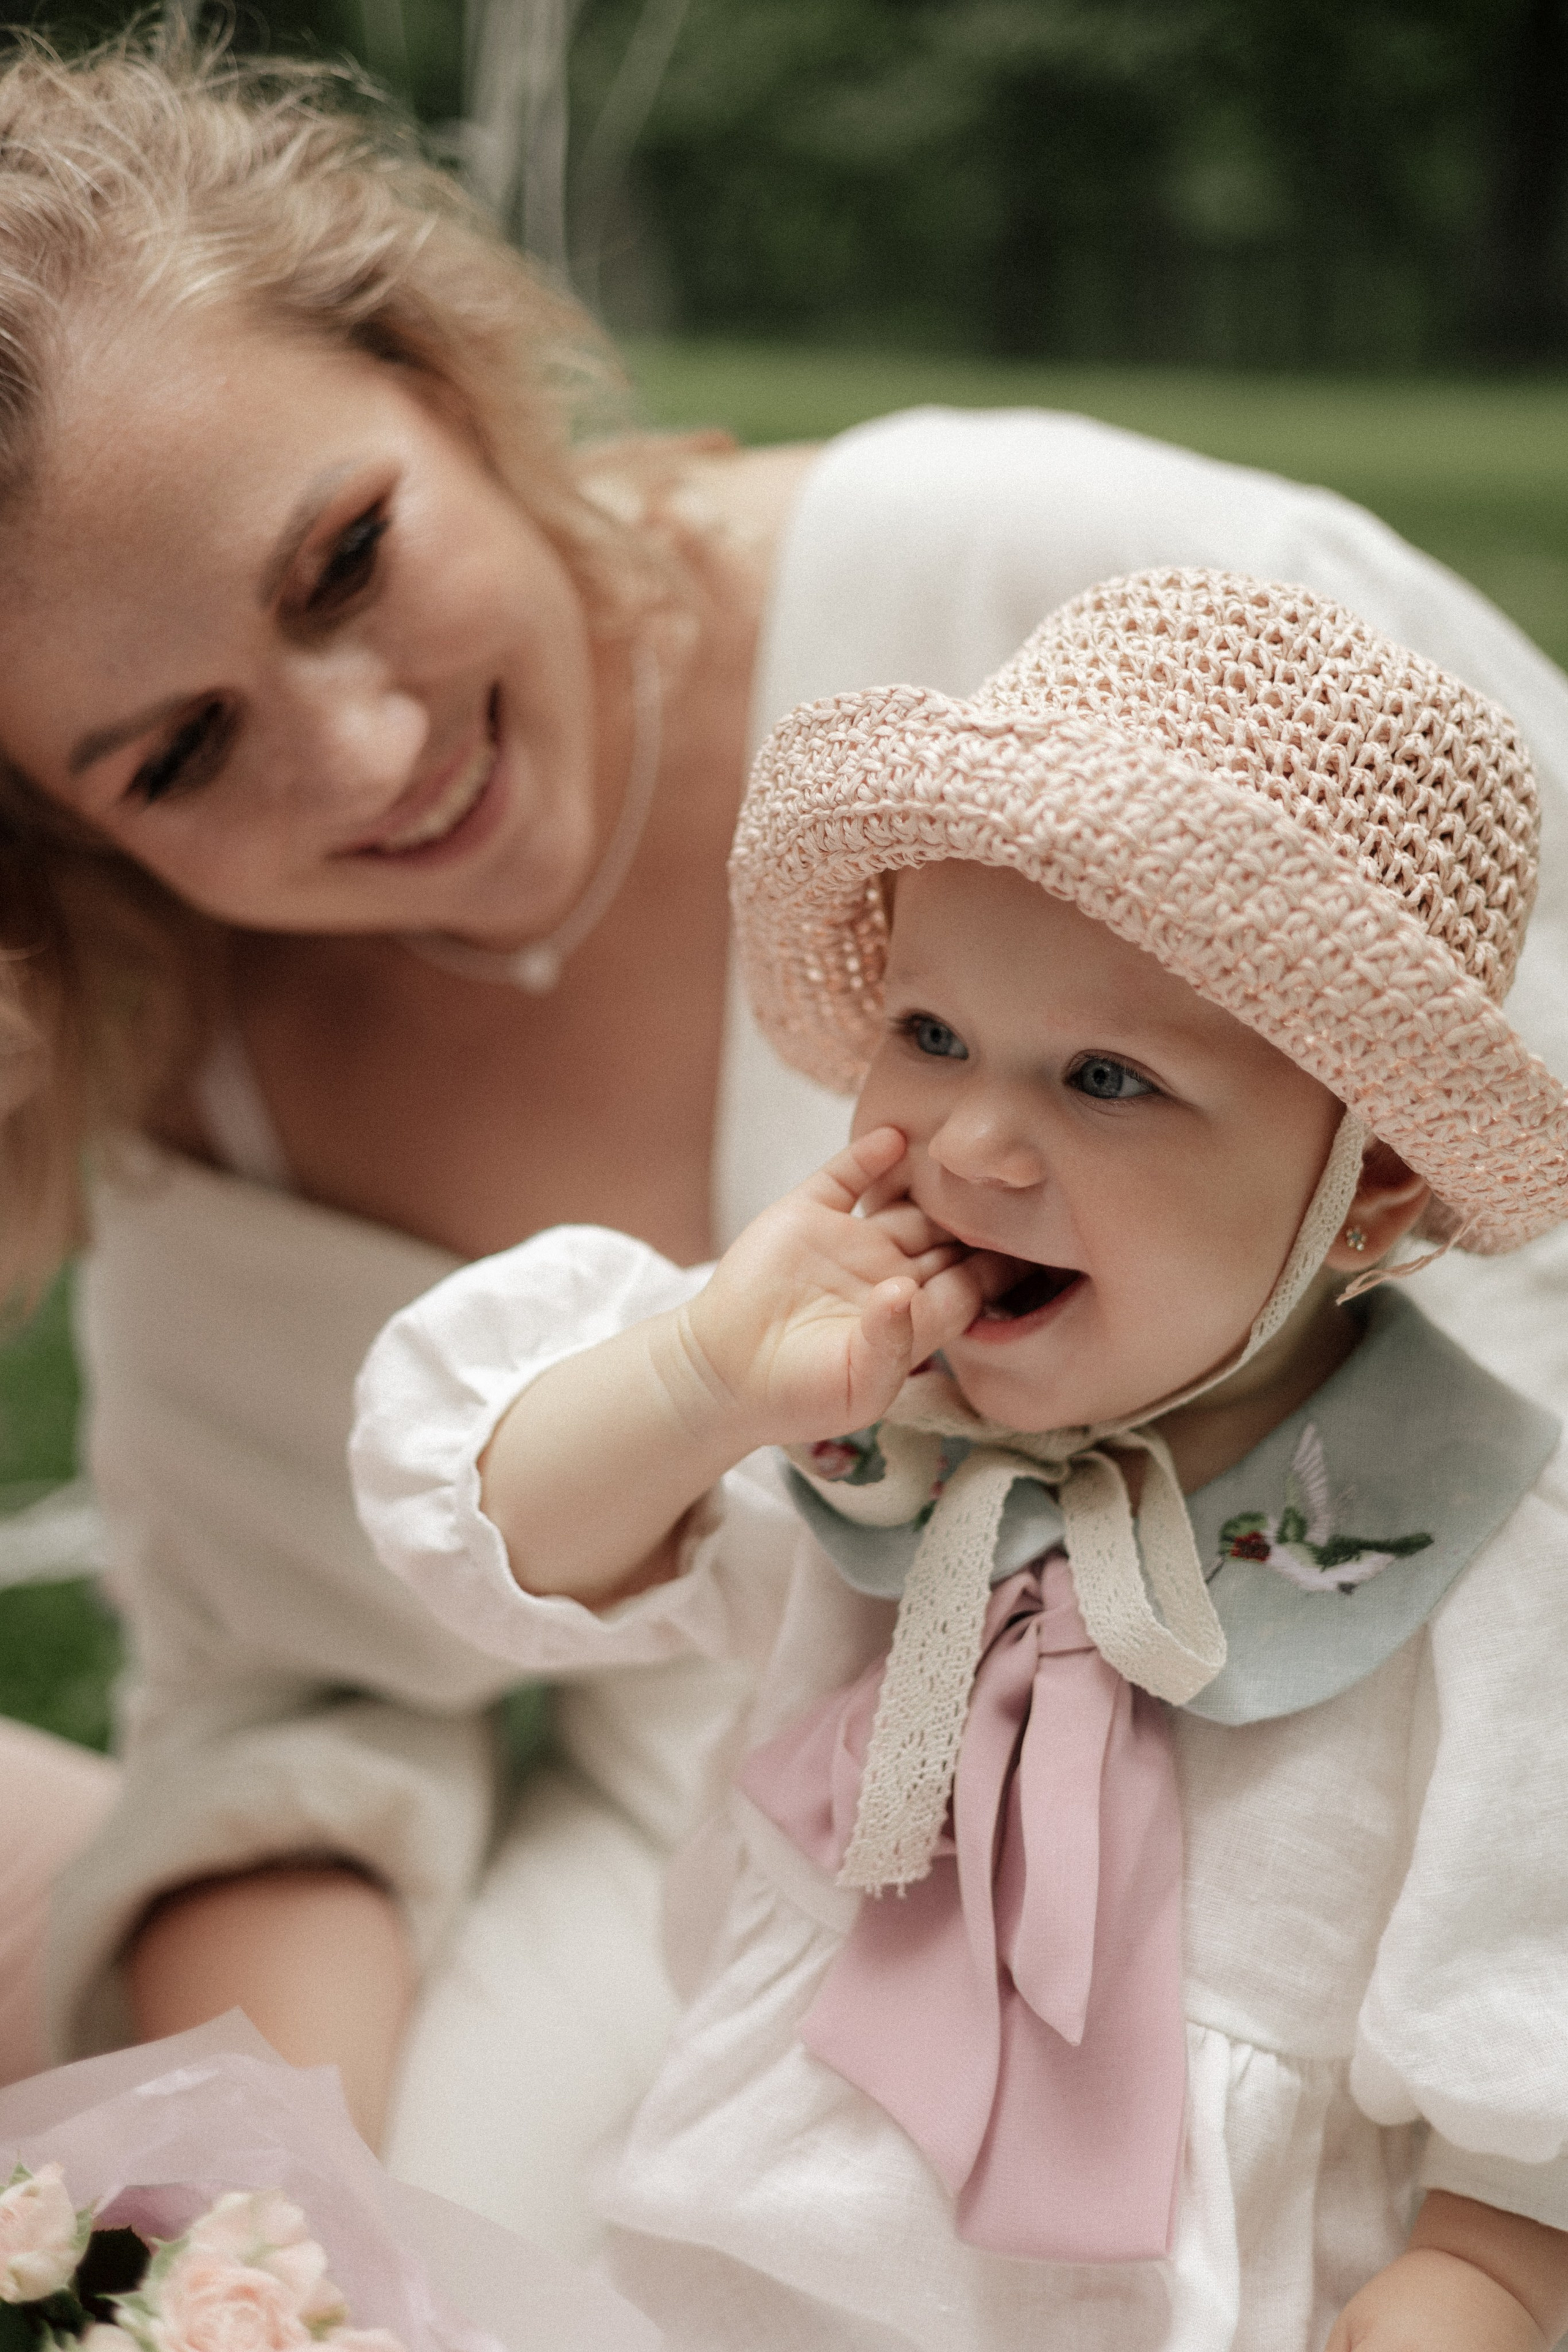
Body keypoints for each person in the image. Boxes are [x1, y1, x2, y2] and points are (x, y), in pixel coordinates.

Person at [4, 22, 1568, 2239]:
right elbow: (312, 1682)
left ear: (451, 384)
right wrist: (292, 2203)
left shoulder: (1049, 578)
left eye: (346, 560)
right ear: (68, 834)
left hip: (1387, 1814)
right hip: (758, 1854)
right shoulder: (208, 1061)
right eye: (173, 757)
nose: (361, 761)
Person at [352, 571, 1568, 2351]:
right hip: (721, 2279)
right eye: (930, 1037)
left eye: (1107, 1078)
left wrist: (1468, 2293)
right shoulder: (838, 1391)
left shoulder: (1487, 1563)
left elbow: (1526, 2111)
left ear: (1368, 1179)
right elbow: (505, 1535)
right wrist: (700, 1380)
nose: (975, 1143)